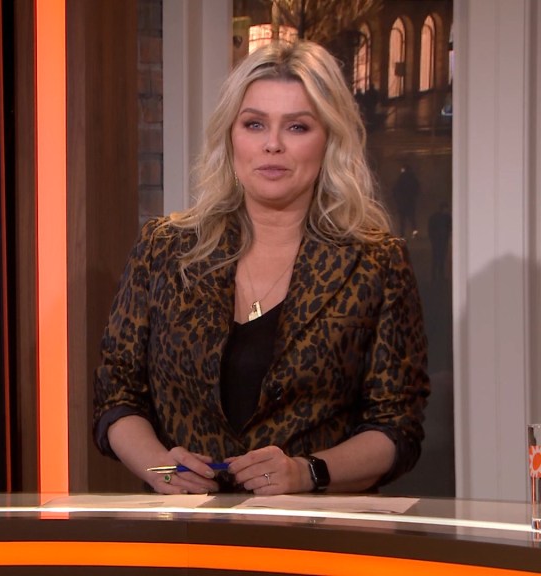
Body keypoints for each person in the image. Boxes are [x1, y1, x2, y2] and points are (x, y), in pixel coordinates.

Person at [93, 41, 429, 495]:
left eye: (297, 126)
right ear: (230, 136)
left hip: (313, 528)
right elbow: (116, 395)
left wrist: (306, 472)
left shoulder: (376, 263)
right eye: (254, 124)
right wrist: (162, 470)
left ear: (329, 140)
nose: (272, 144)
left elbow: (397, 427)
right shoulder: (164, 249)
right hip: (185, 527)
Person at [392, 164, 421, 238]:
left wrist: (397, 200)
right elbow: (417, 189)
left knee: (402, 219)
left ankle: (402, 234)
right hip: (410, 202)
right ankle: (415, 233)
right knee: (412, 219)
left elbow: (395, 190)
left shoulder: (401, 178)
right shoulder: (413, 178)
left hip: (402, 202)